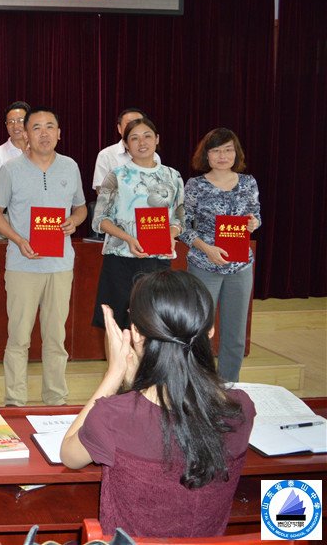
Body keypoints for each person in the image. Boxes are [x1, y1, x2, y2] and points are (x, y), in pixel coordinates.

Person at [60, 270, 256, 538]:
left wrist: (114, 374)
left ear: (136, 333)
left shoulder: (113, 415)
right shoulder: (241, 408)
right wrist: (135, 384)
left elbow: (69, 456)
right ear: (210, 330)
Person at [0, 107, 87, 406]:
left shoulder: (70, 167)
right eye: (37, 128)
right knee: (19, 338)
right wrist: (18, 239)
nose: (44, 133)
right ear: (26, 135)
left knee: (56, 337)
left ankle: (56, 399)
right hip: (23, 265)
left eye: (50, 127)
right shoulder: (10, 169)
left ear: (59, 133)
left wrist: (75, 221)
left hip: (60, 265)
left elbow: (81, 207)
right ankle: (15, 401)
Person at [179, 128, 261, 382]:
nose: (222, 156)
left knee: (235, 334)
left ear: (236, 153)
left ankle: (228, 386)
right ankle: (199, 385)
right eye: (216, 150)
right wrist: (207, 249)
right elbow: (183, 226)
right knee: (199, 331)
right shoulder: (195, 185)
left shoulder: (248, 183)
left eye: (228, 150)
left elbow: (255, 215)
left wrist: (254, 223)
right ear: (206, 154)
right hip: (204, 264)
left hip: (240, 267)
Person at [92, 117, 184, 331]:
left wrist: (170, 234)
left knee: (153, 324)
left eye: (147, 136)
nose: (142, 142)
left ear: (157, 139)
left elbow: (179, 218)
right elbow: (100, 220)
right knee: (115, 325)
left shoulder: (173, 176)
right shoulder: (116, 176)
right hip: (121, 259)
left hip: (157, 260)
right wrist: (128, 238)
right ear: (126, 144)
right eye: (134, 138)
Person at [0, 101, 29, 240]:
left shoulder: (42, 152)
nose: (16, 126)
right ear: (6, 125)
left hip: (39, 218)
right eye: (11, 122)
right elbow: (2, 195)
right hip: (8, 219)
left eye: (20, 120)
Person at [91, 107, 160, 192]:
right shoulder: (106, 155)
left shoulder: (154, 156)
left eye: (138, 122)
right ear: (119, 128)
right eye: (129, 123)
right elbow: (101, 191)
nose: (134, 127)